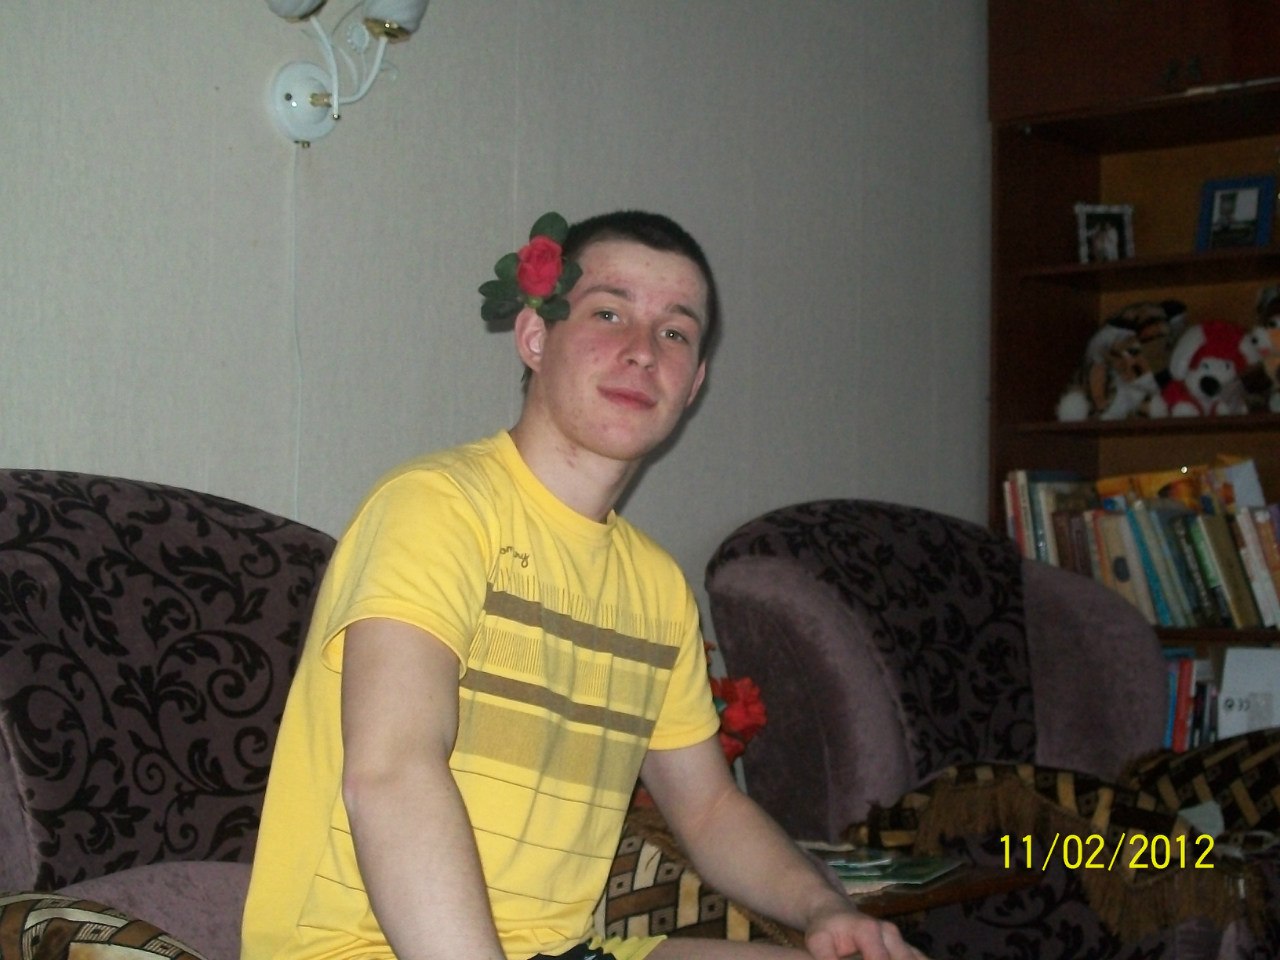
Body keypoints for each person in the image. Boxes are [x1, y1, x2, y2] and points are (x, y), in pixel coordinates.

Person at [240, 210, 925, 960]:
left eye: (675, 332)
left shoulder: (656, 586)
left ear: (694, 383)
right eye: (608, 313)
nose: (643, 352)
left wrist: (826, 910)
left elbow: (708, 809)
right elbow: (392, 772)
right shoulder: (436, 509)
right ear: (535, 337)